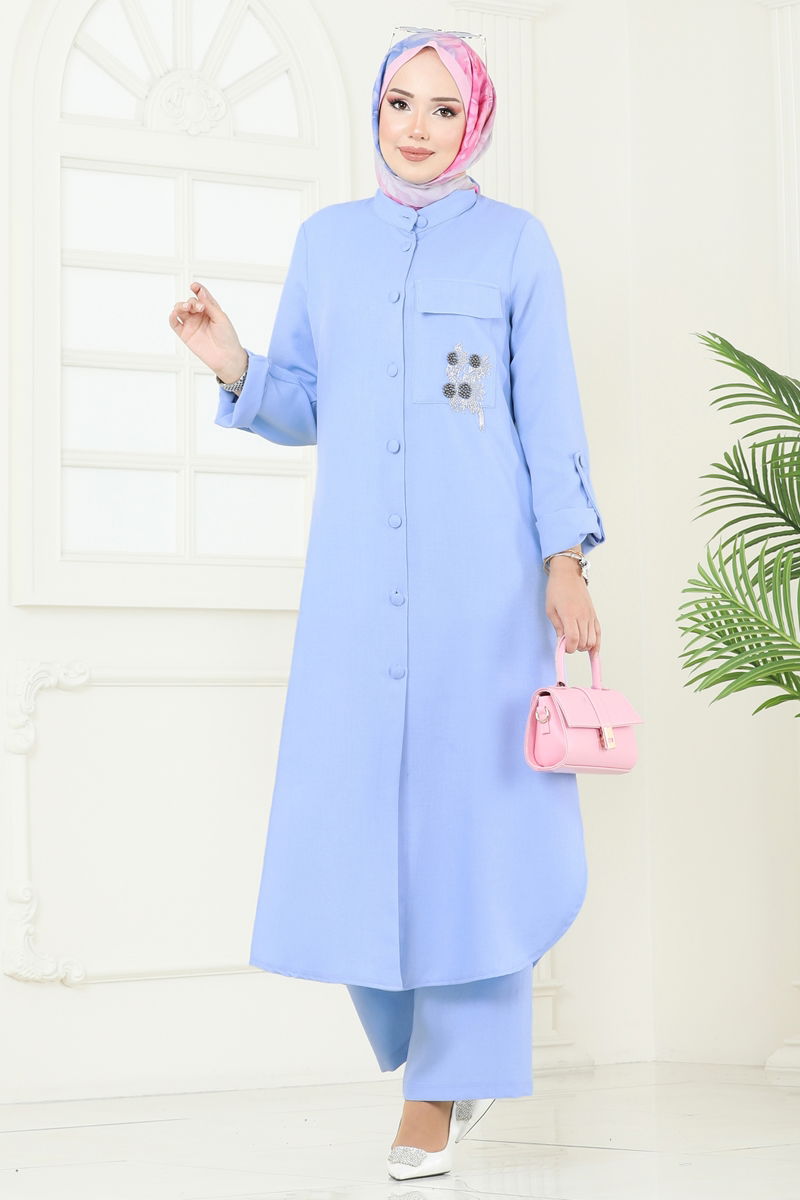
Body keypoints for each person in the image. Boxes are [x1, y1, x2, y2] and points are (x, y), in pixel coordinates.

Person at [168, 27, 606, 1182]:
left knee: (473, 824)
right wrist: (232, 364)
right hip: (357, 585)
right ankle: (432, 1053)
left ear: (475, 123)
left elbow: (545, 408)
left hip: (483, 588)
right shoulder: (327, 243)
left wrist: (563, 560)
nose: (416, 127)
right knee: (356, 813)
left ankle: (441, 1086)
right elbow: (308, 402)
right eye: (399, 103)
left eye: (442, 109)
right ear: (374, 111)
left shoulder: (515, 246)